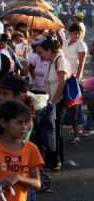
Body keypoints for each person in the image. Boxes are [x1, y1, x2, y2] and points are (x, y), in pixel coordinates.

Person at [0, 100, 44, 201]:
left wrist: (18, 178)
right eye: (19, 122)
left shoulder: (31, 149)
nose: (24, 127)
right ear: (3, 123)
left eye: (26, 122)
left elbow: (37, 184)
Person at [40, 36, 70, 169]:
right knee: (51, 131)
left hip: (58, 102)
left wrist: (53, 101)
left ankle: (56, 161)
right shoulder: (53, 61)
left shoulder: (60, 60)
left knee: (56, 131)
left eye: (43, 51)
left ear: (50, 50)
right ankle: (51, 160)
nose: (41, 54)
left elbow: (62, 82)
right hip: (52, 101)